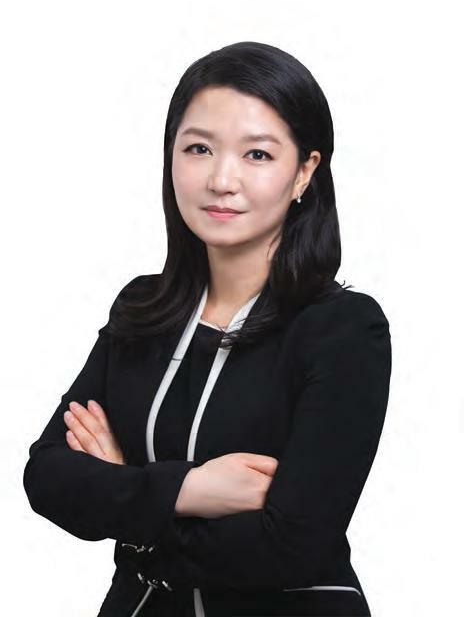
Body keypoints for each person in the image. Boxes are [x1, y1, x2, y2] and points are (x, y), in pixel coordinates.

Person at [23, 41, 392, 617]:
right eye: (199, 148)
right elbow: (47, 476)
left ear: (305, 172)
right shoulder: (142, 309)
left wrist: (125, 496)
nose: (222, 179)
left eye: (258, 155)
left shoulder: (342, 329)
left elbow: (291, 547)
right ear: (170, 157)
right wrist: (188, 490)